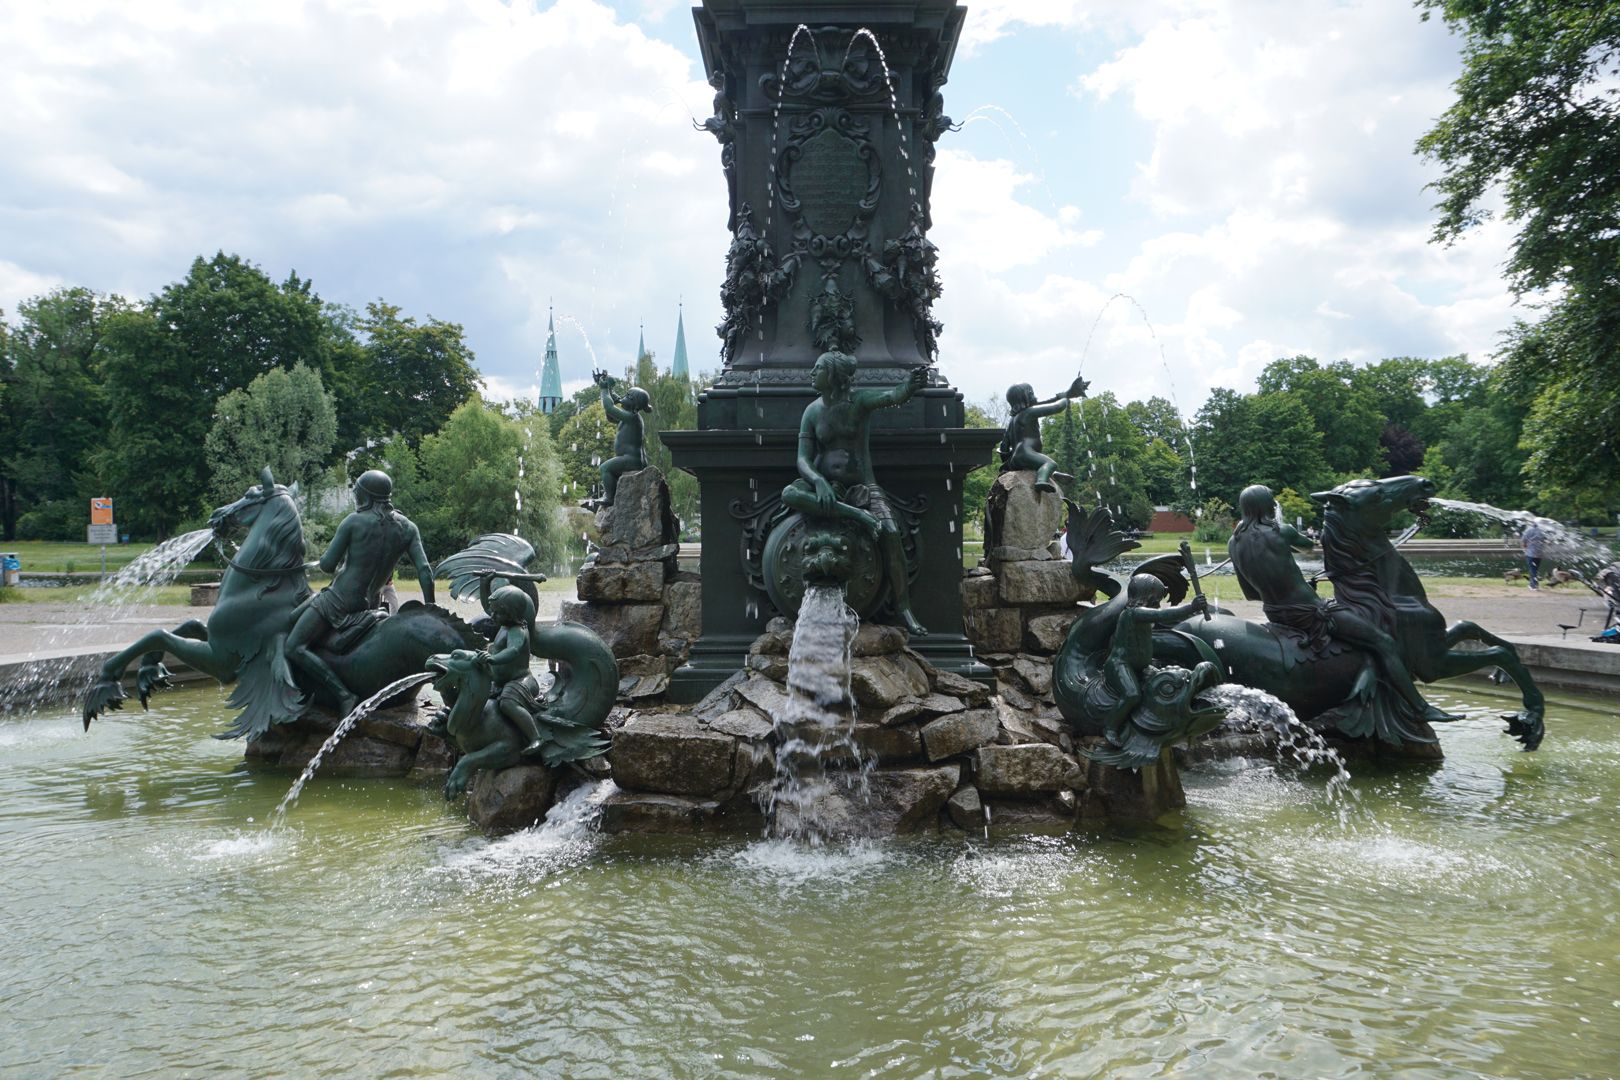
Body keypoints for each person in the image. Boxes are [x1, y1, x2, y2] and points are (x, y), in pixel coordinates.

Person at [1228, 483, 1458, 725]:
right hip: (1312, 612)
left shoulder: (1233, 544)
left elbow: (1250, 594)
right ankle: (1421, 708)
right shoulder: (1281, 532)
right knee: (1383, 642)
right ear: (1268, 505)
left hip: (1276, 615)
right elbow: (1309, 548)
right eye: (1273, 501)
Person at [781, 351, 929, 636]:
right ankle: (858, 516)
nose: (811, 373)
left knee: (890, 533)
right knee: (790, 493)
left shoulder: (859, 402)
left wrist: (910, 386)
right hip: (825, 486)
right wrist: (819, 481)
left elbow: (893, 396)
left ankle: (905, 608)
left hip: (863, 486)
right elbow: (802, 459)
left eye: (818, 368)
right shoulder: (811, 411)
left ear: (833, 376)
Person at [285, 470, 434, 717]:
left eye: (358, 492)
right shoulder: (408, 528)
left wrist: (325, 558)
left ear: (365, 495)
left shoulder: (354, 522)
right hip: (370, 604)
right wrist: (430, 607)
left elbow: (327, 565)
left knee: (293, 646)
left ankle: (343, 694)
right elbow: (425, 571)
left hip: (338, 601)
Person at [1095, 573, 1209, 744]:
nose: (1158, 604)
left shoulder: (1143, 615)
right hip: (1121, 665)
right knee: (1132, 694)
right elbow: (1164, 615)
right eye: (1156, 600)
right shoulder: (1133, 613)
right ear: (1146, 597)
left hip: (1141, 666)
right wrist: (1190, 608)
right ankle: (1110, 727)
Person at [477, 581, 548, 757]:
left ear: (511, 613)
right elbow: (487, 604)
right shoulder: (504, 623)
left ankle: (535, 738)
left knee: (507, 703)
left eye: (497, 612)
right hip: (502, 681)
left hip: (521, 681)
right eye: (492, 611)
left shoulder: (517, 630)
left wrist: (493, 659)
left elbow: (513, 651)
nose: (492, 615)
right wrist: (484, 582)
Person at [999, 377, 1089, 493]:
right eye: (1031, 393)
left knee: (1038, 464)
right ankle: (1042, 481)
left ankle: (1054, 474)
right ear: (1026, 396)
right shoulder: (1028, 413)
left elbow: (1004, 445)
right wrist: (1065, 399)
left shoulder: (1012, 420)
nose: (1034, 396)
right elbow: (1056, 407)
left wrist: (1007, 460)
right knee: (1050, 463)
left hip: (1015, 458)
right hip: (1025, 453)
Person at [593, 371, 654, 507]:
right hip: (631, 458)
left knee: (605, 469)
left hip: (632, 460)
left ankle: (610, 498)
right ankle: (612, 494)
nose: (623, 397)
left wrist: (604, 389)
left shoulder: (632, 417)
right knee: (610, 470)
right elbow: (610, 414)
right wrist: (608, 387)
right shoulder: (628, 416)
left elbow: (609, 407)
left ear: (634, 405)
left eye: (628, 396)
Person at [1521, 518, 1546, 590]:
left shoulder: (1528, 530)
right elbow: (1545, 541)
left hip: (1530, 553)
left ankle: (1534, 586)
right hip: (1539, 553)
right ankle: (1533, 584)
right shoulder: (1542, 531)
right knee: (1535, 569)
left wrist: (1525, 549)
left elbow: (1523, 541)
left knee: (1532, 569)